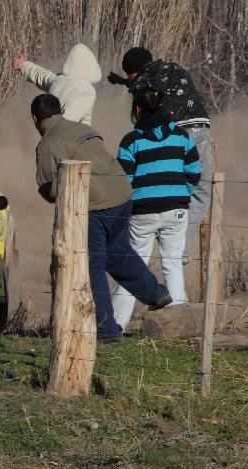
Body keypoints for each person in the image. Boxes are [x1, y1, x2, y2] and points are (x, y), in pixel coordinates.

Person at [31, 93, 171, 342]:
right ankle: (156, 293)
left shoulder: (47, 144)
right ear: (60, 110)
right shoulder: (82, 128)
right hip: (122, 196)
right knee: (118, 253)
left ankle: (106, 330)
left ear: (35, 118)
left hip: (94, 207)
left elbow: (49, 189)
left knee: (92, 265)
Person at [107, 47, 214, 263]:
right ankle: (179, 243)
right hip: (201, 131)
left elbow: (144, 96)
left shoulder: (142, 82)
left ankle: (168, 234)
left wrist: (128, 84)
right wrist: (125, 82)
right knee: (202, 192)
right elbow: (158, 86)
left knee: (157, 188)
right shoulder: (172, 68)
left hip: (175, 136)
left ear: (133, 71)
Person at [111, 89, 201, 330]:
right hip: (177, 210)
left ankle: (116, 325)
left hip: (142, 212)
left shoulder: (131, 141)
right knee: (172, 264)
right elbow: (194, 172)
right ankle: (177, 326)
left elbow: (124, 179)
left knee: (134, 267)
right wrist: (180, 194)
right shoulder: (182, 136)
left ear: (138, 109)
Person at [13, 43, 102, 125]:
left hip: (51, 134)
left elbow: (40, 75)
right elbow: (68, 122)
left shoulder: (57, 80)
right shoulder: (87, 92)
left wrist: (23, 65)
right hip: (71, 140)